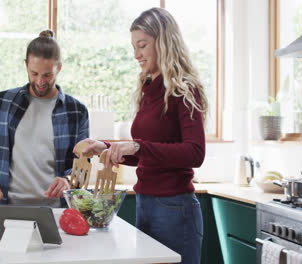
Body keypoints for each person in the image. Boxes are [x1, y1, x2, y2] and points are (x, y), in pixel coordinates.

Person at [75, 8, 208, 264]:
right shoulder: (148, 89)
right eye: (134, 46)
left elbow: (195, 152)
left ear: (164, 42)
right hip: (145, 203)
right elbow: (145, 153)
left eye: (142, 45)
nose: (136, 54)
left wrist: (137, 146)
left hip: (174, 208)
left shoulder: (184, 89)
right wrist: (106, 147)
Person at [0, 30, 89, 207]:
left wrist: (68, 180)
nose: (40, 81)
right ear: (26, 65)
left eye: (47, 75)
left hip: (56, 211)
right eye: (34, 73)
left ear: (59, 68)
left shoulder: (76, 111)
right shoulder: (3, 102)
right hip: (8, 207)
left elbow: (83, 163)